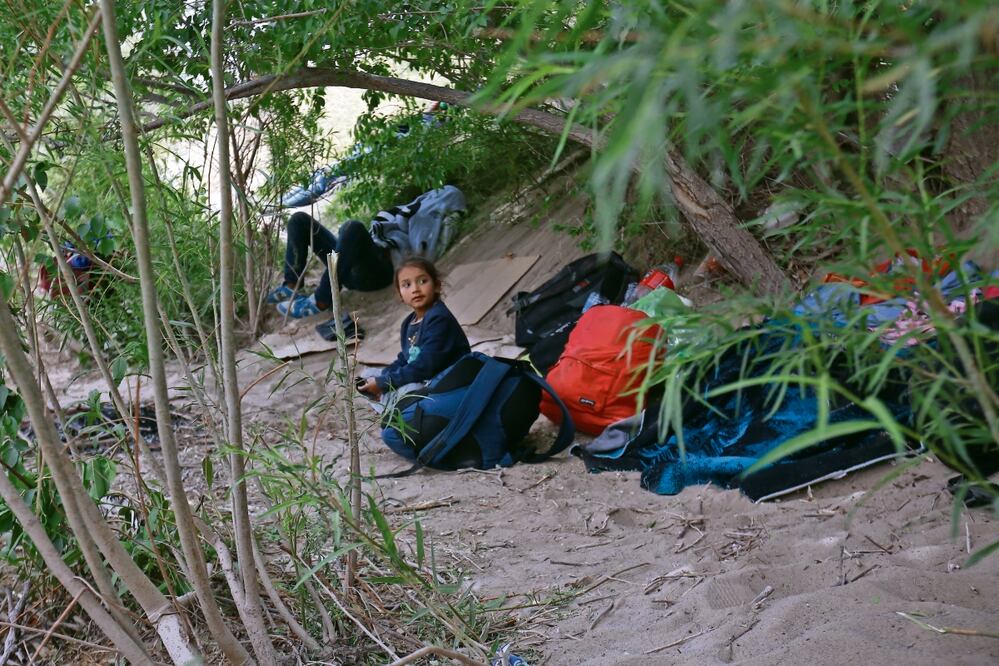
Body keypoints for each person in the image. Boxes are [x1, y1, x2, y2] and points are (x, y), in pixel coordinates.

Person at [267, 185, 467, 320]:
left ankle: (322, 299)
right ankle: (292, 284)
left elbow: (425, 252)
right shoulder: (414, 208)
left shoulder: (437, 218)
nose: (432, 196)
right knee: (299, 220)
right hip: (360, 258)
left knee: (352, 228)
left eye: (437, 196)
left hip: (378, 272)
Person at [357, 257, 470, 399]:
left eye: (422, 281)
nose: (415, 289)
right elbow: (405, 358)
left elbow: (426, 366)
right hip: (425, 376)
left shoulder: (439, 319)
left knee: (408, 391)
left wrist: (384, 382)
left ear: (437, 285)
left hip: (450, 381)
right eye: (407, 285)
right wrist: (384, 376)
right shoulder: (408, 323)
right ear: (400, 295)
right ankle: (388, 400)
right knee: (368, 375)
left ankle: (391, 402)